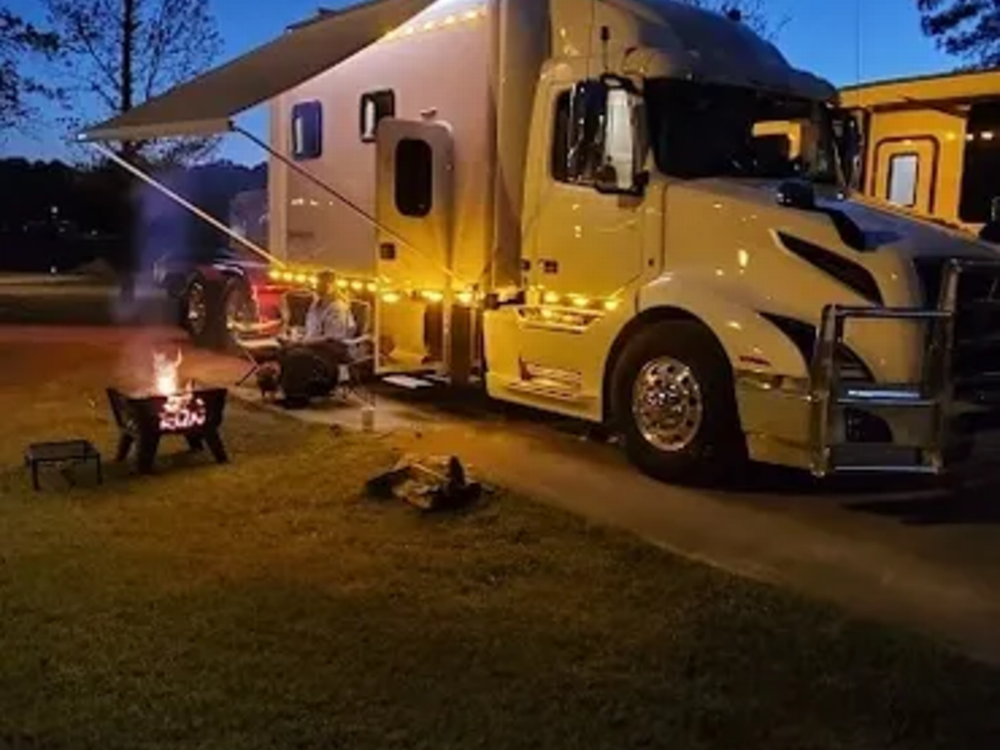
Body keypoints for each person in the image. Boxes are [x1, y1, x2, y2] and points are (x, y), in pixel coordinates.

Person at [277, 271, 357, 406]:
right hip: (315, 345)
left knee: (296, 355)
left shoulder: (337, 308)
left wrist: (303, 343)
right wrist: (296, 336)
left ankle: (299, 396)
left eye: (322, 284)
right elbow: (312, 329)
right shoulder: (316, 304)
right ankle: (291, 392)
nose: (318, 287)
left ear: (332, 286)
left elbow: (331, 337)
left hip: (331, 350)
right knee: (284, 350)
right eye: (318, 283)